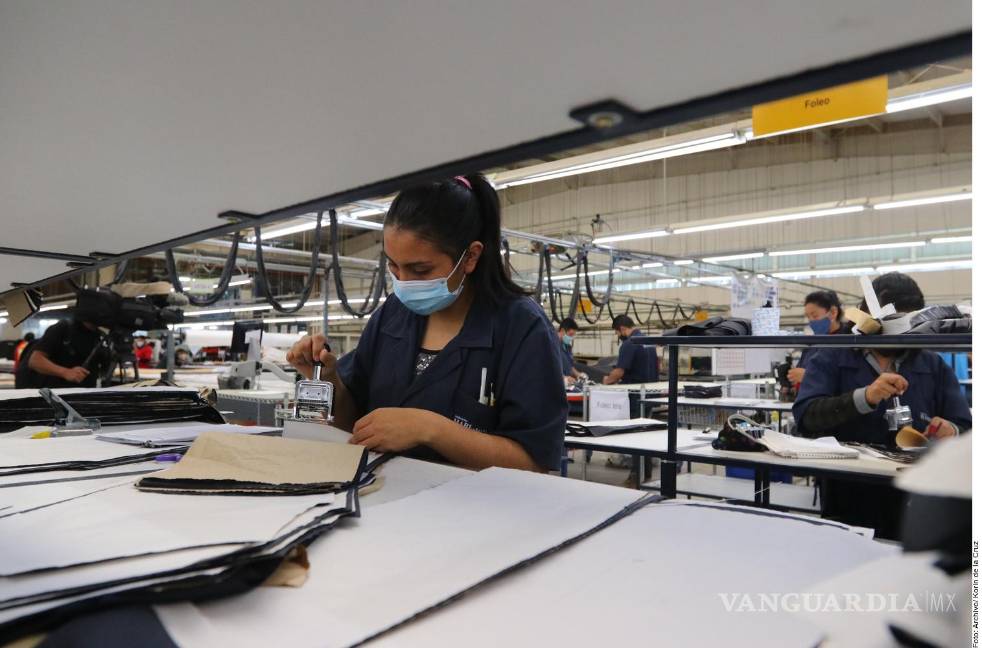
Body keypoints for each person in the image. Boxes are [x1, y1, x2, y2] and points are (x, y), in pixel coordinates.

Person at [287, 174, 567, 472]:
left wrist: (431, 429)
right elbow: (356, 425)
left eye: (420, 270)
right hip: (382, 492)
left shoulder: (521, 327)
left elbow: (534, 461)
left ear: (470, 257)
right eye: (393, 266)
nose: (404, 282)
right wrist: (328, 379)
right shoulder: (392, 315)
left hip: (473, 499)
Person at [793, 272, 971, 538]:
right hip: (848, 492)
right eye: (892, 323)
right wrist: (864, 397)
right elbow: (806, 417)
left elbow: (965, 426)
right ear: (867, 316)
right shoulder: (831, 356)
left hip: (915, 496)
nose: (898, 333)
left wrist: (952, 430)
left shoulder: (932, 365)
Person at [16, 316, 103, 388]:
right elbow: (35, 361)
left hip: (80, 394)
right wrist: (67, 372)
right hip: (51, 392)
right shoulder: (64, 328)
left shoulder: (99, 336)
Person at [787, 290, 848, 385]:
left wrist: (810, 376)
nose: (811, 321)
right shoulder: (812, 345)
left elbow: (847, 380)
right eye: (808, 317)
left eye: (815, 316)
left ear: (833, 312)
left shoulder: (848, 342)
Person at [603, 315, 658, 385]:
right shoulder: (648, 341)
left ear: (622, 329)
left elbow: (619, 371)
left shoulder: (629, 343)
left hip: (635, 388)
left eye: (617, 333)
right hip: (652, 388)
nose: (618, 336)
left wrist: (607, 380)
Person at [556, 318, 583, 385]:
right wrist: (563, 378)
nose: (571, 338)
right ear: (562, 330)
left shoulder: (567, 347)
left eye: (573, 335)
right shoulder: (552, 345)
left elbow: (570, 365)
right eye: (571, 335)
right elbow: (549, 366)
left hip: (567, 382)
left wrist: (578, 374)